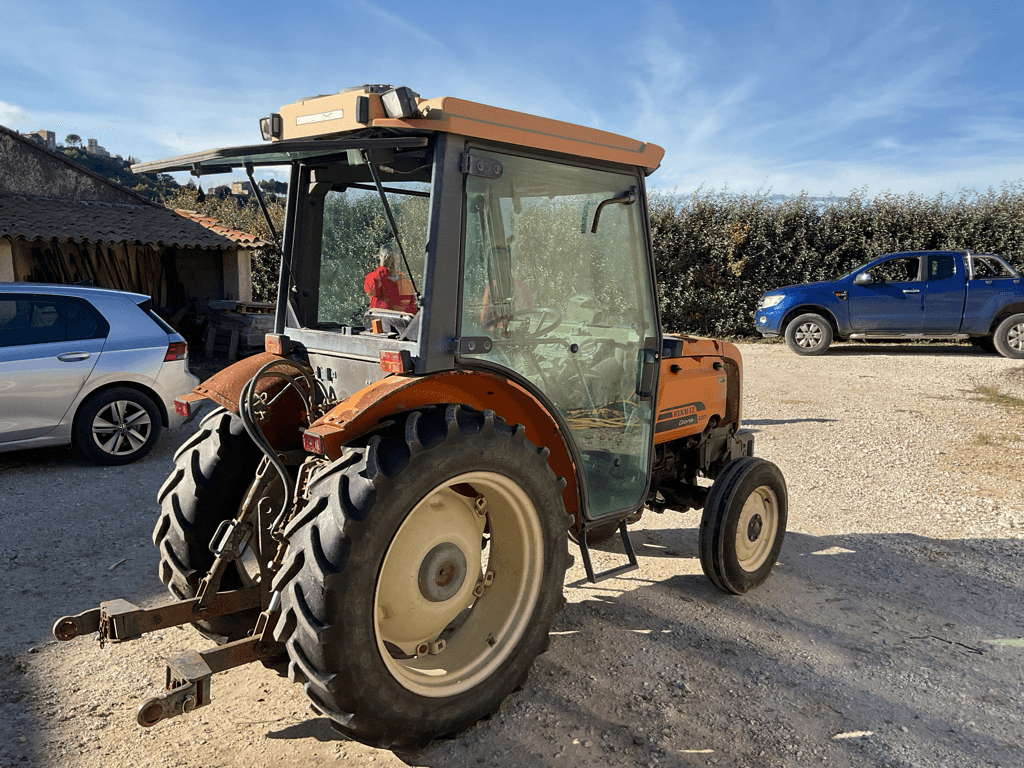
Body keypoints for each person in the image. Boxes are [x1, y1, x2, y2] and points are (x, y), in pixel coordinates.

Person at [364, 244, 417, 314]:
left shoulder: (405, 282)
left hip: (402, 320)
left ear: (398, 259)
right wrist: (383, 267)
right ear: (381, 258)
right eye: (387, 258)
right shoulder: (372, 277)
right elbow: (372, 291)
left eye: (392, 258)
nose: (390, 262)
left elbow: (412, 310)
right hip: (381, 320)